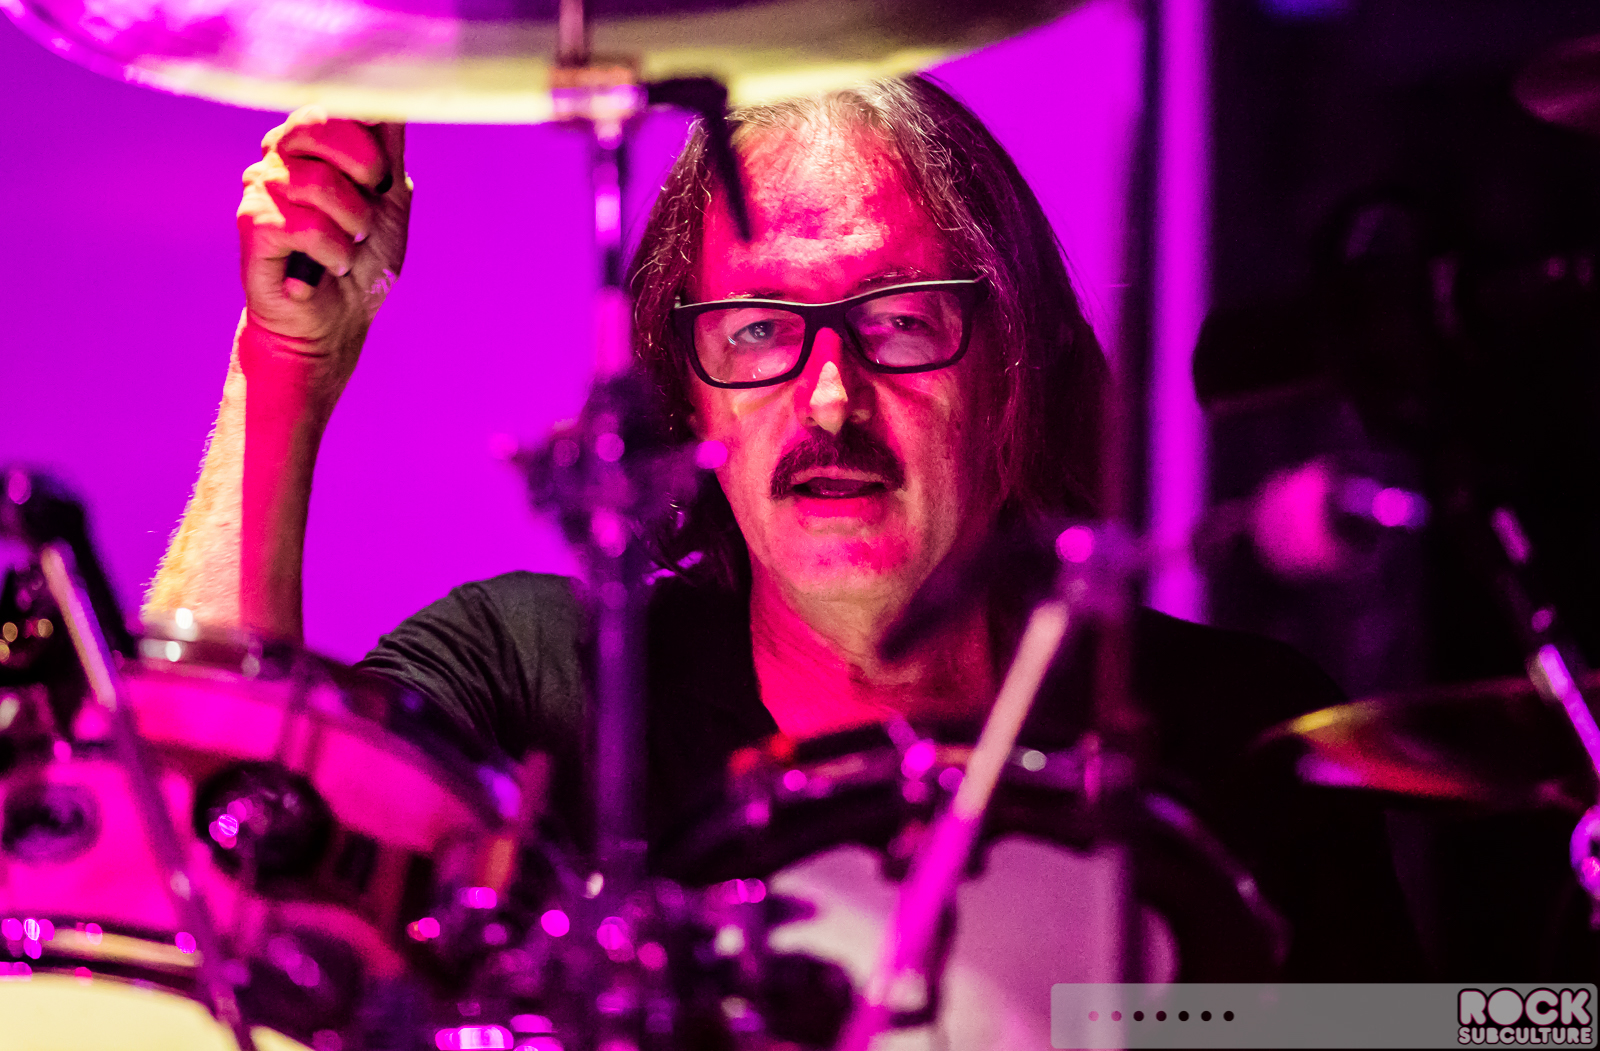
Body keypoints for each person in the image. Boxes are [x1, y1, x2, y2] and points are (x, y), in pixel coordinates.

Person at [145, 77, 1423, 987]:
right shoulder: (539, 681)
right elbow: (181, 851)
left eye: (900, 317)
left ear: (1013, 369)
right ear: (687, 395)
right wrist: (285, 364)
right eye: (758, 330)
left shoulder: (1237, 735)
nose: (827, 398)